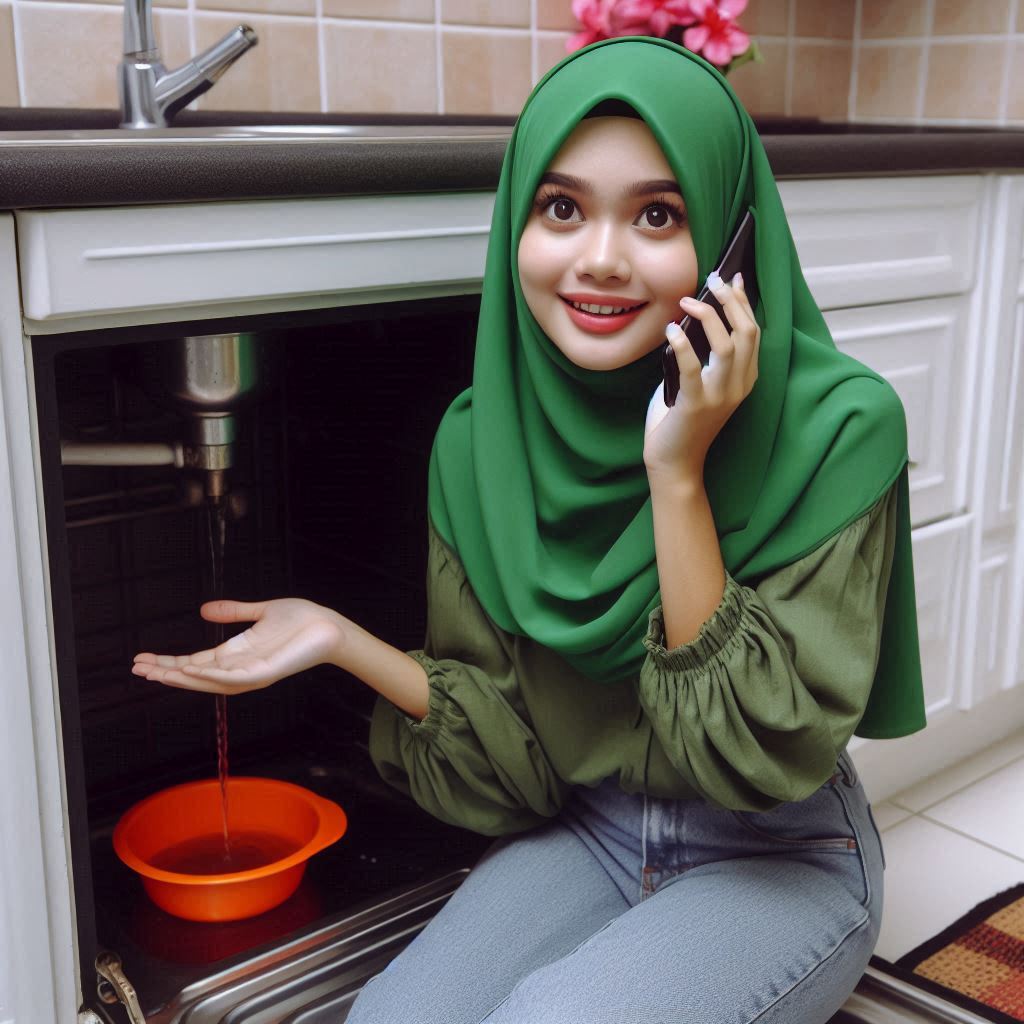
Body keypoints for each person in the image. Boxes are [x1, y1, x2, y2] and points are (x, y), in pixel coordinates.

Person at [133, 36, 927, 1024]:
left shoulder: (842, 428)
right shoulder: (477, 442)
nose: (599, 258)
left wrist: (677, 472)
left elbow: (757, 755)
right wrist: (343, 641)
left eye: (657, 214)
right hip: (590, 828)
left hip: (782, 848)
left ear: (729, 236)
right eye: (561, 208)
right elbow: (514, 762)